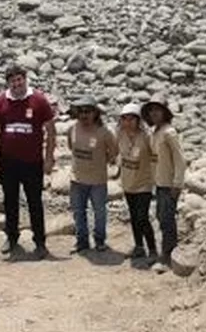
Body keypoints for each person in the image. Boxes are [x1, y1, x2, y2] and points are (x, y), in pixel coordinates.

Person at [0, 65, 57, 259]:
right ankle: (11, 237)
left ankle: (40, 242)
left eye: (20, 80)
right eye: (13, 81)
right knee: (10, 202)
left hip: (33, 162)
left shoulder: (39, 100)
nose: (17, 84)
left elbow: (51, 130)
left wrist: (49, 158)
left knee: (35, 202)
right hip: (8, 162)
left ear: (25, 79)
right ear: (8, 83)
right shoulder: (0, 101)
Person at [66, 95, 118, 253]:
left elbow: (114, 151)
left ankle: (100, 241)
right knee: (78, 212)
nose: (84, 115)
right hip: (77, 179)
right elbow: (70, 147)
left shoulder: (104, 132)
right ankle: (82, 242)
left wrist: (102, 161)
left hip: (98, 181)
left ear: (95, 113)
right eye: (81, 111)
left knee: (99, 212)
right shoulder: (72, 128)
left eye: (88, 111)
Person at [141, 94, 187, 265]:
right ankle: (168, 250)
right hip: (159, 182)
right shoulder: (155, 132)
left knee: (166, 218)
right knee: (161, 217)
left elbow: (180, 159)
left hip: (169, 183)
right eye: (151, 110)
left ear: (164, 112)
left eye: (157, 110)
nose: (154, 113)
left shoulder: (169, 132)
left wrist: (178, 183)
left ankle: (168, 254)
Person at [116, 103, 158, 260]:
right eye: (124, 119)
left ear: (138, 120)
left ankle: (153, 249)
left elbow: (155, 156)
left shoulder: (146, 136)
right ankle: (138, 246)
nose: (128, 122)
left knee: (142, 217)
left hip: (144, 183)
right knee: (133, 217)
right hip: (128, 182)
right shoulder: (120, 134)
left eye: (131, 119)